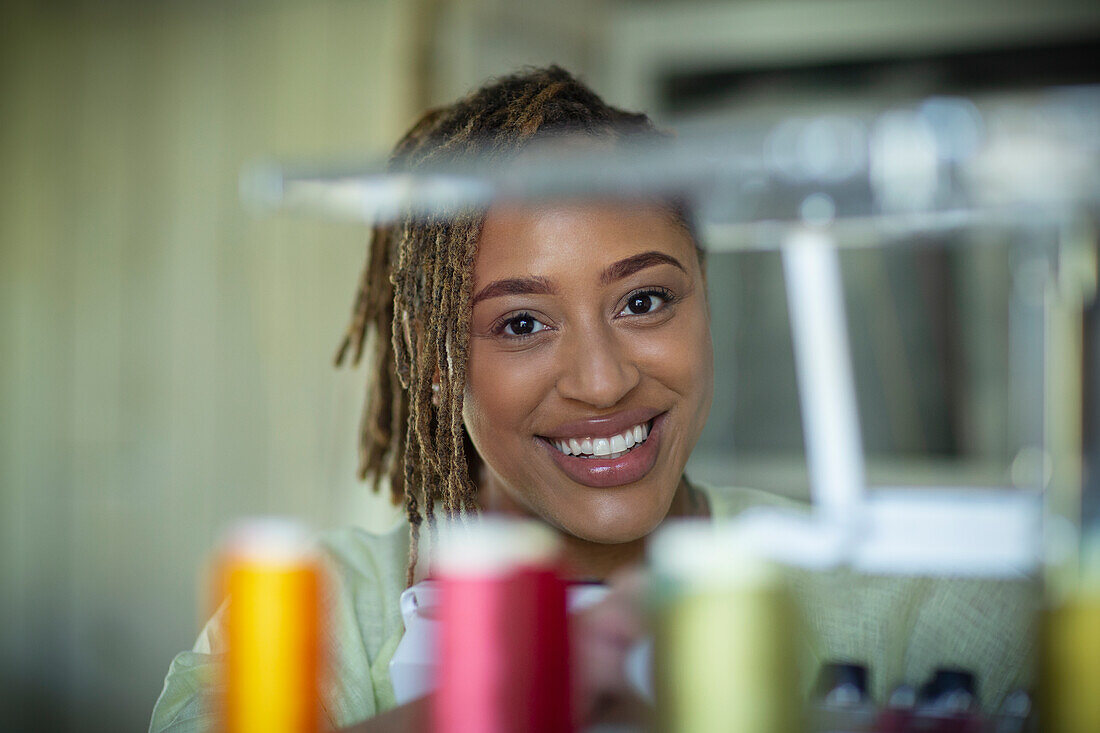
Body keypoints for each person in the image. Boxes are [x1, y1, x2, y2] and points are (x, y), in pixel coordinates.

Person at [150, 66, 1035, 733]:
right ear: (431, 360)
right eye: (523, 322)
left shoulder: (903, 606)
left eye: (644, 301)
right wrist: (521, 691)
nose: (604, 381)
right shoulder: (323, 610)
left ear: (705, 298)